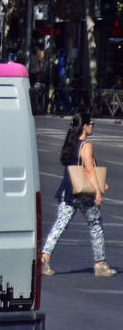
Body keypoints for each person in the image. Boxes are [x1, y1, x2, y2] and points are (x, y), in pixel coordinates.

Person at [41, 110, 116, 277]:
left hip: (67, 190)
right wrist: (98, 191)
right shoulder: (86, 145)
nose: (93, 126)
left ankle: (45, 257)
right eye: (91, 124)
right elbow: (89, 170)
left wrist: (101, 182)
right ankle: (100, 264)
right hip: (83, 194)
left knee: (60, 225)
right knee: (96, 224)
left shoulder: (71, 143)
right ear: (85, 126)